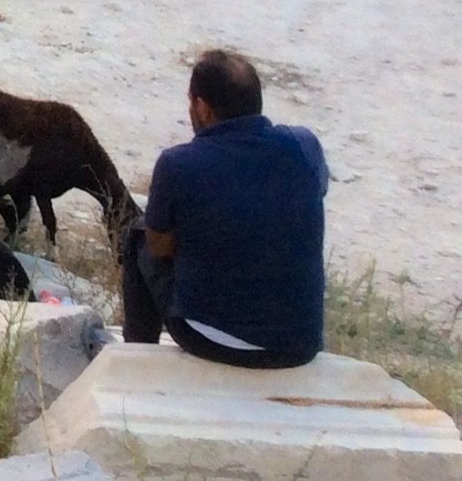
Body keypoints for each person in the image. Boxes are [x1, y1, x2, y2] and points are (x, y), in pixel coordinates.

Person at [119, 49, 328, 368]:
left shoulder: (178, 163)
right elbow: (313, 192)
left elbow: (160, 248)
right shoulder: (303, 145)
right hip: (299, 345)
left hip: (212, 340)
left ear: (201, 107)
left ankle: (136, 359)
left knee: (138, 236)